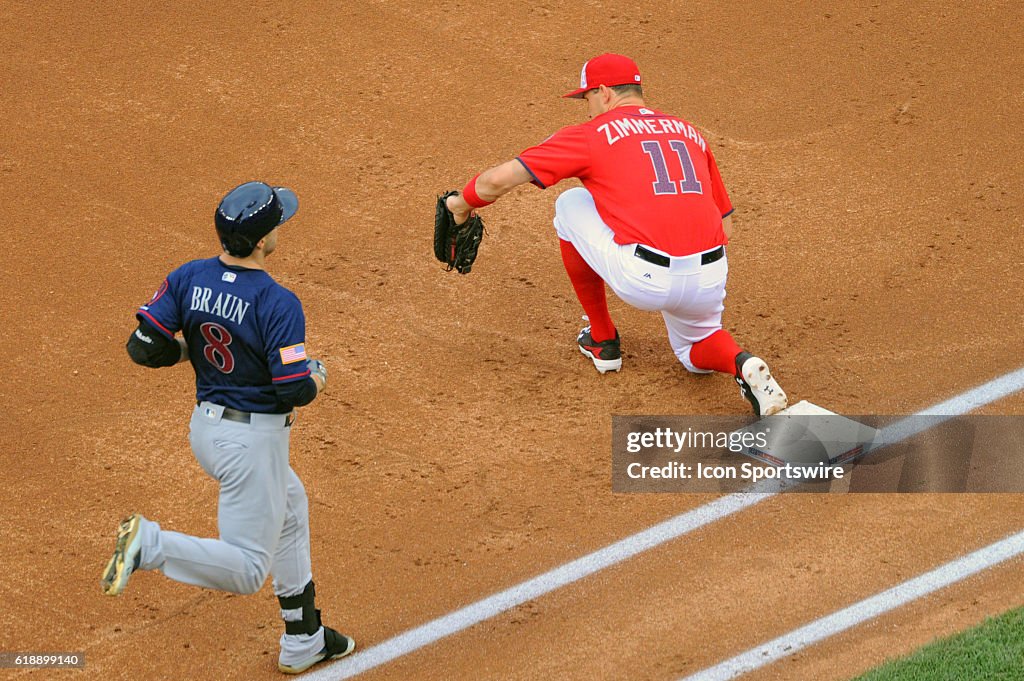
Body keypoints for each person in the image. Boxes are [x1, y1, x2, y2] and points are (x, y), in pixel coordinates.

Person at [101, 181, 355, 674]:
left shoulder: (189, 276)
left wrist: (186, 351)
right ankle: (149, 545)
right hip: (251, 443)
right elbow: (292, 389)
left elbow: (143, 346)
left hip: (208, 430)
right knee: (246, 570)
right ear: (262, 241)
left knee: (291, 505)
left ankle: (304, 637)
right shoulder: (278, 302)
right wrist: (319, 378)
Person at [444, 53, 788, 416]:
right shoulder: (690, 132)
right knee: (696, 351)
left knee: (571, 203)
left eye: (587, 98)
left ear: (605, 93)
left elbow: (495, 181)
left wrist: (459, 206)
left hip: (643, 278)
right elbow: (726, 225)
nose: (587, 110)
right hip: (709, 274)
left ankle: (602, 338)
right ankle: (743, 364)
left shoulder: (590, 135)